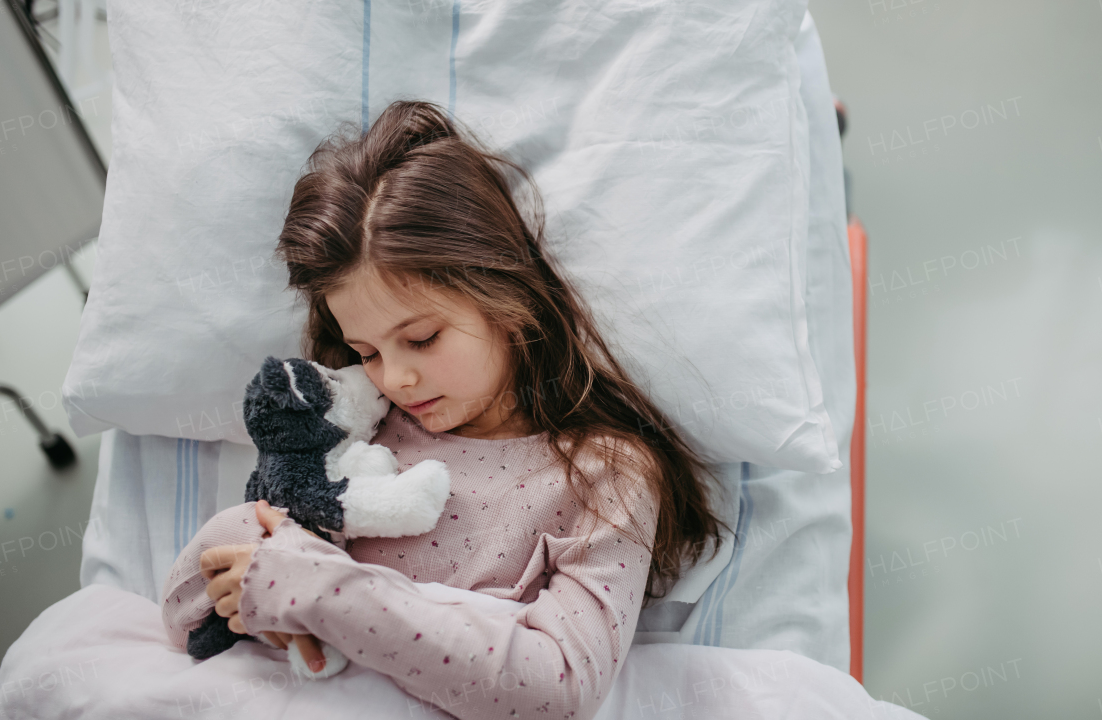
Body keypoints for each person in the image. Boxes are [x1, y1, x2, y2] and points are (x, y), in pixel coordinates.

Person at [160, 99, 729, 720]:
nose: (397, 377)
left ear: (506, 300)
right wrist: (248, 539)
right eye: (367, 351)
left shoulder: (600, 476)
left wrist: (322, 592)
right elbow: (184, 616)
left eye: (423, 338)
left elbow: (559, 689)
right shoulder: (357, 427)